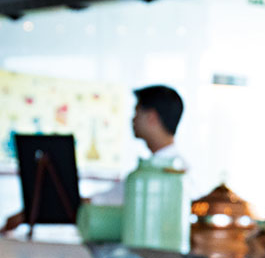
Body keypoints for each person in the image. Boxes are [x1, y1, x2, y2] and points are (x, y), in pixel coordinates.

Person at [1, 84, 188, 230]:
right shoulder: (149, 169)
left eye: (136, 112)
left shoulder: (175, 172)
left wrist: (31, 213)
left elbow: (100, 202)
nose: (132, 119)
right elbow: (101, 200)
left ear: (152, 118)